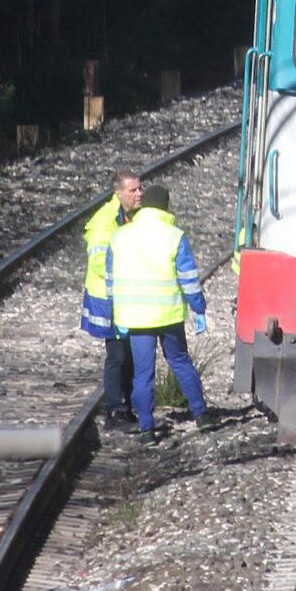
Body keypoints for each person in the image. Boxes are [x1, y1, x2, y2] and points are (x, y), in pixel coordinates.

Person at [107, 181, 209, 444]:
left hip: (135, 317)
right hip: (168, 316)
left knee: (143, 373)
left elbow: (110, 278)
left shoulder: (120, 236)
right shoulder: (174, 235)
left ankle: (146, 428)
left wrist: (116, 313)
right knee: (181, 362)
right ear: (166, 207)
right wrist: (198, 308)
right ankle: (202, 416)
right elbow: (188, 277)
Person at [77, 169, 146, 426]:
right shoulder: (106, 222)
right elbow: (100, 263)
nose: (139, 194)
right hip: (109, 300)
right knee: (117, 355)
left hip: (122, 297)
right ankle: (116, 410)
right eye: (133, 190)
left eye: (140, 188)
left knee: (127, 353)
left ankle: (124, 407)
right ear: (119, 194)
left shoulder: (128, 216)